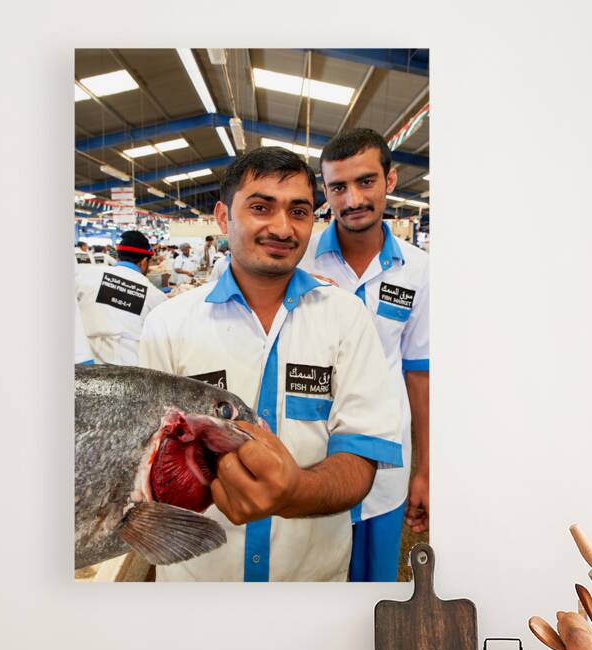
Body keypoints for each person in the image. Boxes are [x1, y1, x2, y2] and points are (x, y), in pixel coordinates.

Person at [139, 147, 402, 582]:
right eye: (261, 207)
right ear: (223, 217)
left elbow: (361, 452)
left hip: (311, 585)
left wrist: (295, 492)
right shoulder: (168, 325)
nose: (282, 228)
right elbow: (150, 462)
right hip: (200, 586)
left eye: (298, 211)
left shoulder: (344, 316)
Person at [298, 128, 430, 582]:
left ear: (390, 181)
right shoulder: (301, 258)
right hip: (309, 454)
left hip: (385, 461)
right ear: (325, 191)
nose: (352, 198)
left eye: (365, 182)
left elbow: (419, 372)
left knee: (372, 592)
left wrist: (424, 472)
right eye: (338, 187)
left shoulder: (419, 271)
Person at [74, 229, 166, 365]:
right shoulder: (155, 296)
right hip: (131, 371)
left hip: (88, 366)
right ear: (144, 262)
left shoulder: (86, 276)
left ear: (118, 257)